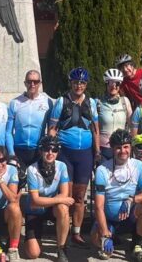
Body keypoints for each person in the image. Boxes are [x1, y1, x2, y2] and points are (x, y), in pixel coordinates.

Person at [47, 67, 100, 246]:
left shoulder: (91, 103)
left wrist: (97, 151)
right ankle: (64, 230)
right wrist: (50, 149)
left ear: (86, 85)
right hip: (65, 153)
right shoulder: (61, 102)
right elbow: (53, 128)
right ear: (71, 83)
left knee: (79, 196)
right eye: (76, 82)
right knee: (66, 195)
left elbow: (95, 129)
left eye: (82, 83)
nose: (79, 86)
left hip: (85, 154)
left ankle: (76, 233)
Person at [92, 129, 142, 262]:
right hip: (110, 219)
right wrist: (104, 235)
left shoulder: (138, 165)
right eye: (118, 148)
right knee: (96, 239)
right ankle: (110, 236)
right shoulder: (102, 170)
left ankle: (137, 245)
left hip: (130, 216)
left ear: (130, 147)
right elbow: (98, 206)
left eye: (126, 147)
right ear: (112, 149)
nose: (123, 151)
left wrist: (131, 200)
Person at [22, 136, 73, 262]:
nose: (50, 153)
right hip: (34, 211)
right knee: (33, 254)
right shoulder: (32, 169)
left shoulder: (62, 166)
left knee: (63, 208)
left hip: (51, 208)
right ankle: (30, 240)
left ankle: (61, 248)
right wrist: (59, 199)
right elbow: (35, 201)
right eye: (47, 149)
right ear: (41, 151)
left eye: (54, 149)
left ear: (57, 152)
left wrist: (55, 201)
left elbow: (65, 193)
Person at [7, 70, 53, 168]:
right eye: (29, 81)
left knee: (37, 183)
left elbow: (51, 128)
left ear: (40, 83)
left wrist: (48, 150)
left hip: (38, 151)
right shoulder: (15, 103)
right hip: (19, 150)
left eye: (35, 82)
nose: (32, 84)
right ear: (25, 83)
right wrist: (11, 153)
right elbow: (8, 132)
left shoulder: (47, 102)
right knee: (18, 183)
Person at [98, 68, 134, 160]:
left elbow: (131, 125)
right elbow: (94, 128)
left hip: (121, 148)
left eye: (117, 83)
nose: (113, 86)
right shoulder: (98, 102)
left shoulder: (125, 101)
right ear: (106, 84)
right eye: (110, 83)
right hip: (104, 149)